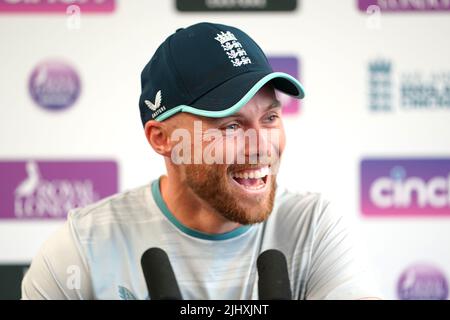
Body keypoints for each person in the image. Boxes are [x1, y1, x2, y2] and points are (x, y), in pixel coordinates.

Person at [22, 22, 378, 300]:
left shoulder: (314, 227)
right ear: (162, 139)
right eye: (231, 125)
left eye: (270, 118)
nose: (260, 146)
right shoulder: (82, 247)